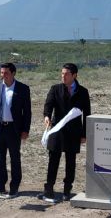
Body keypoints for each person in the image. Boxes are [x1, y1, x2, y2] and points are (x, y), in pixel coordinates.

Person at [40, 63, 91, 202]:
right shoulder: (55, 89)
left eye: (67, 74)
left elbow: (87, 114)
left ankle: (67, 190)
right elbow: (48, 105)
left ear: (74, 75)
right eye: (62, 73)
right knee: (53, 160)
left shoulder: (83, 92)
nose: (63, 76)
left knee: (70, 162)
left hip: (74, 132)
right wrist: (47, 116)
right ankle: (49, 189)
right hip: (57, 130)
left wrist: (84, 134)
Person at [0, 62, 31, 199]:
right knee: (0, 159)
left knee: (15, 159)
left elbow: (27, 112)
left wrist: (25, 130)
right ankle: (0, 187)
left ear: (13, 73)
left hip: (14, 129)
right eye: (1, 73)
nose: (3, 75)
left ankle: (14, 187)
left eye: (6, 73)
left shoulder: (23, 89)